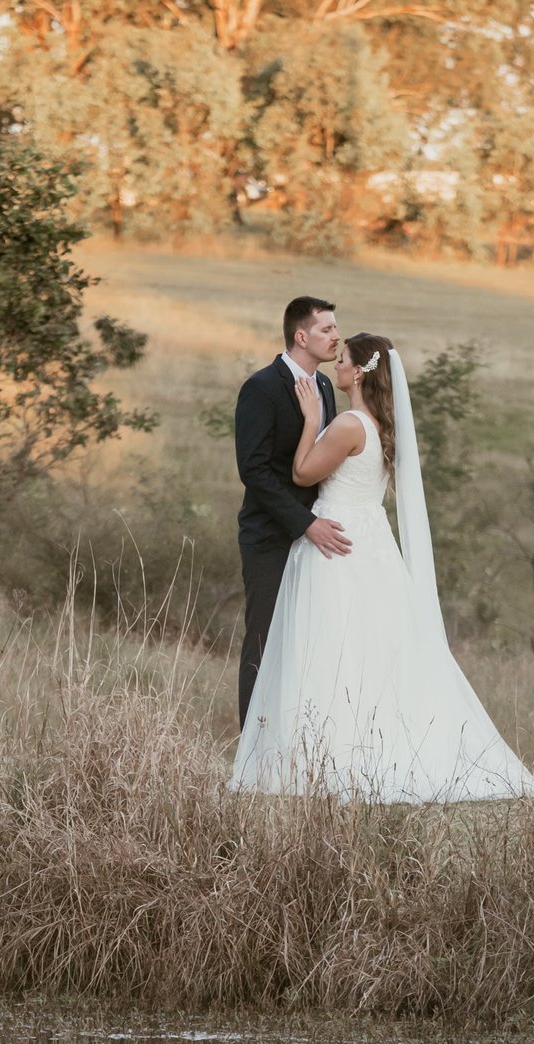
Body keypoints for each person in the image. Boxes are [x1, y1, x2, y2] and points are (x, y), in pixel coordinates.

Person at [228, 327, 534, 803]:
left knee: (329, 648)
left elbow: (301, 473)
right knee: (367, 649)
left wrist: (312, 419)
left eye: (343, 361)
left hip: (333, 545)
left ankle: (321, 756)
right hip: (370, 542)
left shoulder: (348, 424)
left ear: (358, 372)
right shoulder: (377, 423)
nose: (335, 364)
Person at [232, 297, 354, 728]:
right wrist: (306, 524)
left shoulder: (323, 388)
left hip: (318, 538)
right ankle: (251, 746)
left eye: (336, 328)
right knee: (264, 641)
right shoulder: (262, 387)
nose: (336, 336)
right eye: (327, 329)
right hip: (271, 536)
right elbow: (255, 470)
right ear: (301, 337)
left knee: (308, 641)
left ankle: (295, 738)